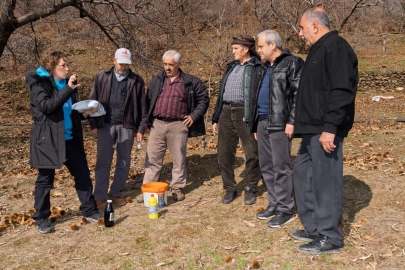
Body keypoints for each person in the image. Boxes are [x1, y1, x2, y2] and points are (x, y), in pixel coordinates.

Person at [291, 8, 358, 254]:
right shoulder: (317, 50)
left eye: (302, 28)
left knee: (325, 182)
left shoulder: (336, 46)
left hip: (324, 129)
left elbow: (342, 90)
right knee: (303, 178)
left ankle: (330, 237)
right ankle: (315, 229)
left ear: (316, 26)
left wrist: (330, 127)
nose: (300, 34)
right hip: (311, 129)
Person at [25, 51, 102, 234]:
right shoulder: (39, 84)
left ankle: (89, 210)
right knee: (45, 180)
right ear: (52, 67)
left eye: (68, 65)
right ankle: (42, 217)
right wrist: (68, 88)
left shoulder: (67, 85)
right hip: (48, 139)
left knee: (82, 173)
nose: (67, 69)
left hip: (69, 138)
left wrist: (83, 113)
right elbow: (48, 107)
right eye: (63, 65)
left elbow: (66, 112)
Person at [247, 30, 304, 227]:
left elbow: (298, 94)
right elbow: (256, 95)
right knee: (266, 166)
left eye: (261, 46)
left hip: (280, 123)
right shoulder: (263, 66)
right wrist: (255, 123)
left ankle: (285, 208)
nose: (258, 50)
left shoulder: (292, 62)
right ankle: (274, 203)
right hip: (262, 122)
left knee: (281, 167)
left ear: (273, 45)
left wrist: (292, 120)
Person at [140, 50, 209, 202]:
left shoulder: (191, 81)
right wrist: (145, 123)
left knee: (178, 158)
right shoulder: (157, 80)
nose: (167, 67)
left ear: (178, 64)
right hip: (157, 124)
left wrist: (194, 115)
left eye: (170, 64)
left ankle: (177, 187)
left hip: (178, 125)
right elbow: (148, 101)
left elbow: (204, 99)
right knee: (152, 158)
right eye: (165, 64)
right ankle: (149, 189)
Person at [89, 48, 147, 208]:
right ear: (114, 61)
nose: (124, 67)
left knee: (123, 161)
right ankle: (99, 196)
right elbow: (92, 103)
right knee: (103, 161)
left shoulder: (137, 80)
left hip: (126, 125)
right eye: (121, 63)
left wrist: (141, 128)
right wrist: (93, 125)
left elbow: (143, 106)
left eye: (127, 64)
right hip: (105, 125)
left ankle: (115, 193)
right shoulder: (102, 76)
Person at [212, 35, 262, 205]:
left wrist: (257, 117)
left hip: (245, 112)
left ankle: (250, 187)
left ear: (246, 49)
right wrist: (216, 117)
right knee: (223, 153)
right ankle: (230, 188)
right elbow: (221, 94)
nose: (232, 52)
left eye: (235, 48)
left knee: (252, 152)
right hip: (226, 111)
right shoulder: (231, 66)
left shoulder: (257, 66)